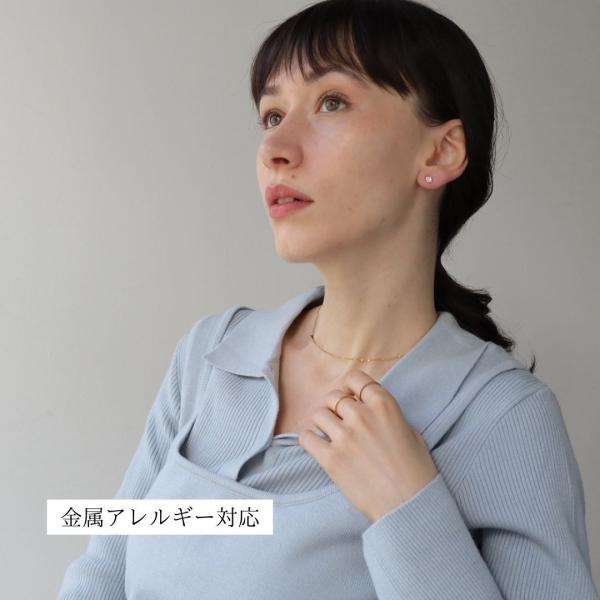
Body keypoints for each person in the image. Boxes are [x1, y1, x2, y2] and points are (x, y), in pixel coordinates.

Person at [57, 0, 599, 598]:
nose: (275, 147)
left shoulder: (501, 416)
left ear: (440, 152)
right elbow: (104, 571)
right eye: (271, 115)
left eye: (332, 102)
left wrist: (407, 504)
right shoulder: (211, 355)